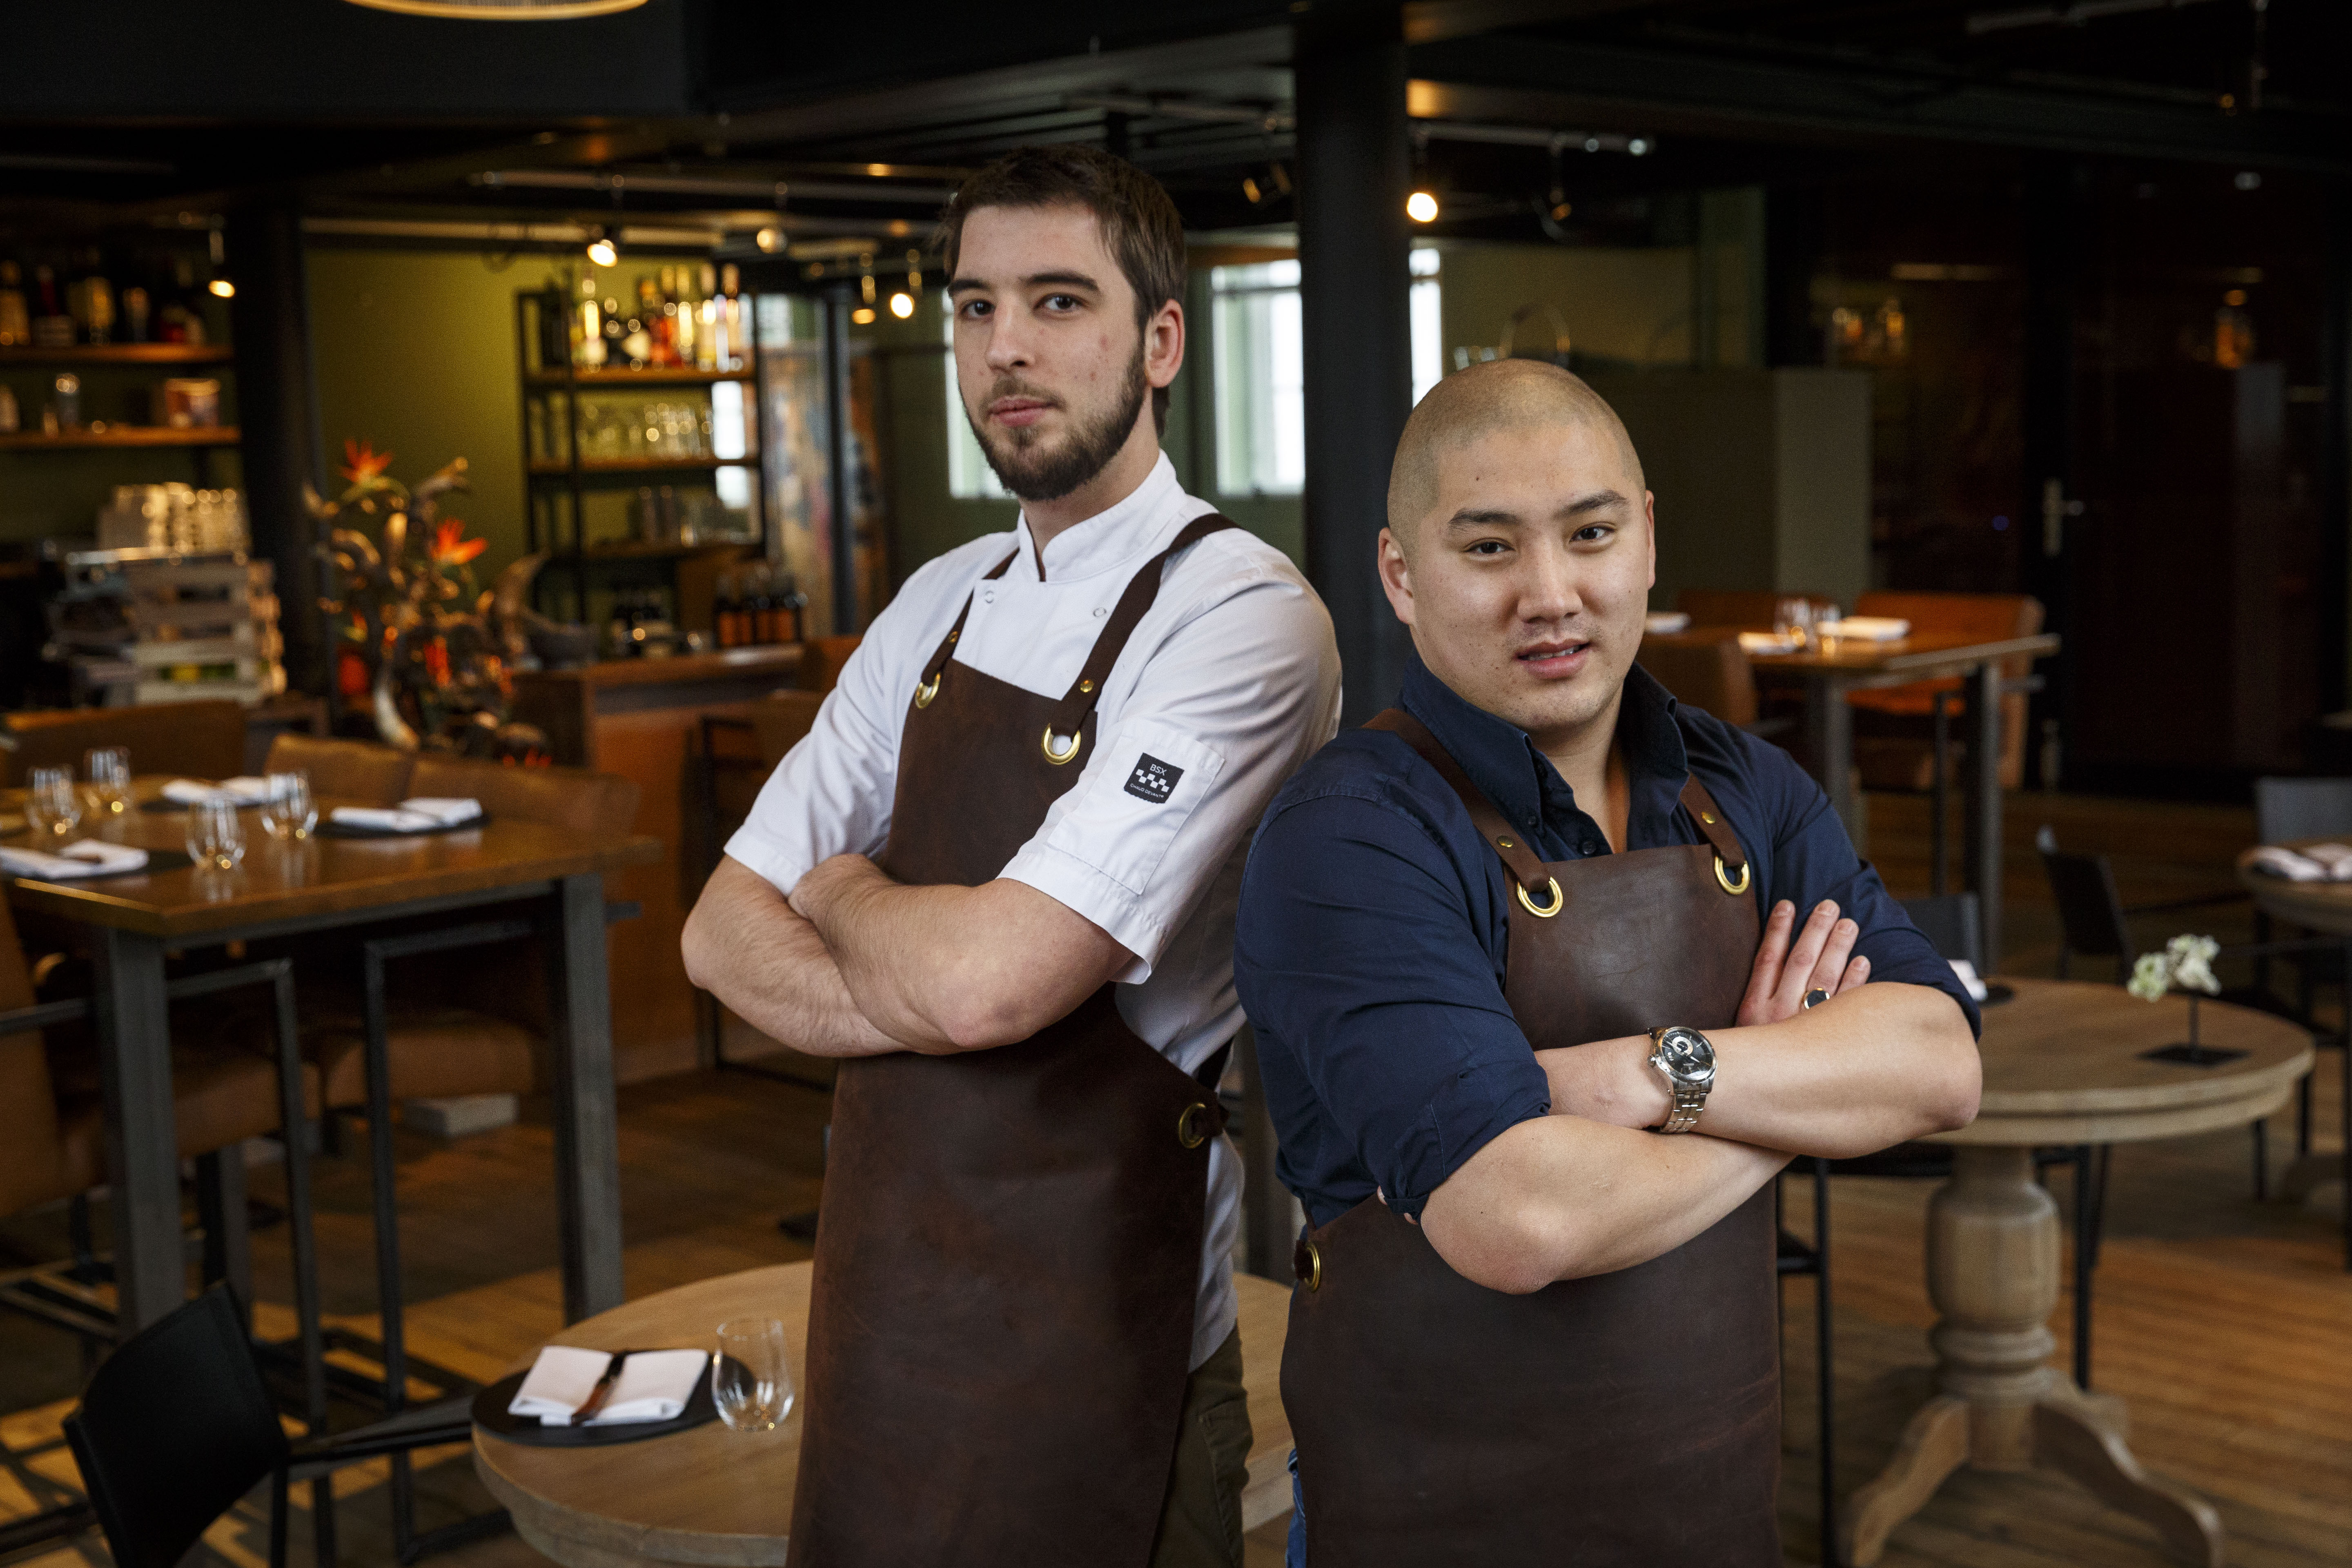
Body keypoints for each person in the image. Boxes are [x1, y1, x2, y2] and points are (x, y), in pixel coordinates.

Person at [683, 144, 1340, 1568]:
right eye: (976, 307)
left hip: (1111, 1340)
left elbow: (994, 987)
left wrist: (838, 888)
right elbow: (717, 932)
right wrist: (934, 983)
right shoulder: (936, 601)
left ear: (1162, 343)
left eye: (1058, 301)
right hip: (880, 1317)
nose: (1006, 349)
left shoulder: (1240, 616)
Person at [1233, 358, 1982, 1567]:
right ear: (1401, 575)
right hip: (1430, 1522)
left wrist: (1650, 1074)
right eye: (1490, 548)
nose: (1551, 594)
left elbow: (1940, 1063)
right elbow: (1516, 1217)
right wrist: (1788, 1102)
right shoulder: (1353, 835)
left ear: (1646, 540)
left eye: (1590, 534)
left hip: (1715, 1503)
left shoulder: (1744, 785)